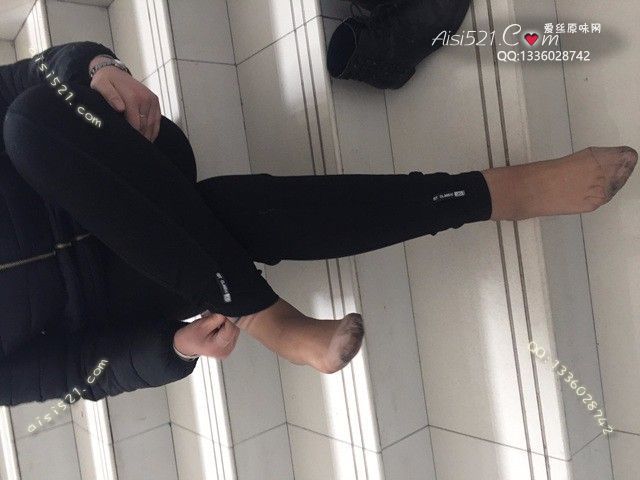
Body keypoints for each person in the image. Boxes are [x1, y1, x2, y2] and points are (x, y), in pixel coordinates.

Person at [0, 41, 636, 407]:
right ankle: (494, 192)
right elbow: (78, 373)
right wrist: (172, 350)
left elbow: (35, 78)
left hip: (118, 155)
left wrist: (99, 68)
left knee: (28, 123)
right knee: (225, 216)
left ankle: (261, 313)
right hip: (148, 277)